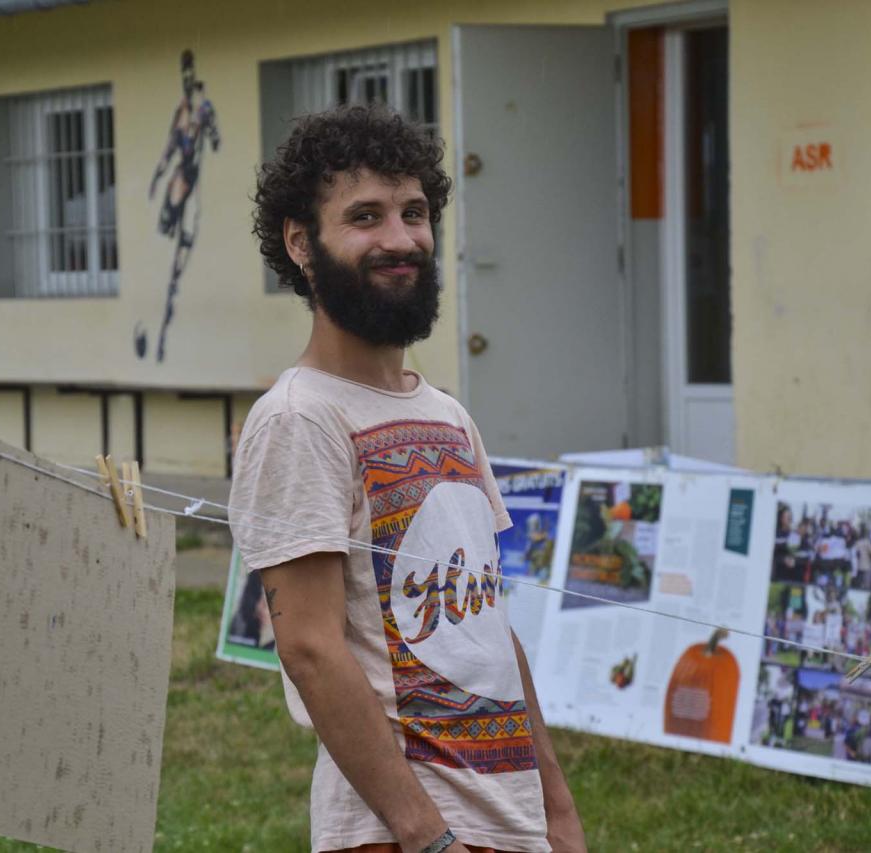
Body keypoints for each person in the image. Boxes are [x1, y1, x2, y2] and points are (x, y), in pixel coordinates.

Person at [231, 106, 584, 853]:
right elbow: (310, 649)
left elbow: (487, 626)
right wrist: (426, 835)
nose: (400, 239)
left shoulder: (447, 414)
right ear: (301, 242)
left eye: (414, 213)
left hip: (509, 821)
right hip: (402, 832)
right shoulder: (299, 418)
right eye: (365, 216)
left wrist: (555, 807)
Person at [140, 48, 221, 363]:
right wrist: (156, 177)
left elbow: (215, 141)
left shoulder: (203, 110)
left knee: (185, 243)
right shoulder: (182, 114)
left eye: (190, 76)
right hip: (179, 181)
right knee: (166, 240)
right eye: (185, 77)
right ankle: (158, 317)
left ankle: (169, 307)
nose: (188, 82)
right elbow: (169, 149)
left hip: (191, 183)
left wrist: (208, 125)